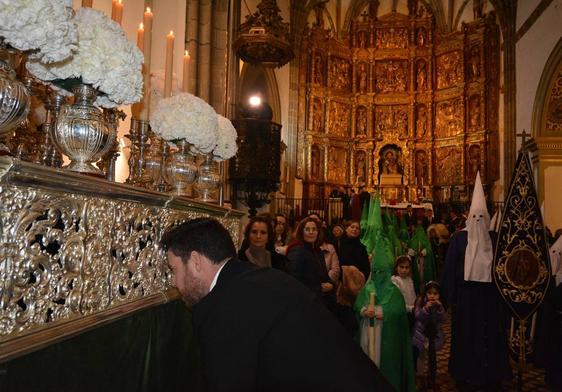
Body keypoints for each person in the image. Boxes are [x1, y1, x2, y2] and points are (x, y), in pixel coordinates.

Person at [161, 218, 394, 391]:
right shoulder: (253, 280)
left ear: (195, 262)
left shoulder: (224, 306)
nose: (174, 282)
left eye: (174, 270)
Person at [441, 173, 511, 389]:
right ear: (470, 218)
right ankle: (464, 372)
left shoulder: (494, 239)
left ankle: (492, 373)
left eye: (483, 217)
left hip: (489, 297)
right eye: (475, 217)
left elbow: (502, 267)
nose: (479, 221)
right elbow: (450, 268)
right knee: (466, 335)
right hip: (466, 297)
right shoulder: (459, 239)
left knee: (490, 335)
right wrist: (448, 297)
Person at [286, 218, 335, 307]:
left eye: (314, 229)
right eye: (307, 229)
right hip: (304, 301)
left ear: (318, 232)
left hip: (318, 299)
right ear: (301, 232)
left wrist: (331, 284)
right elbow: (294, 281)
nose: (311, 232)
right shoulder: (297, 250)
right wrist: (319, 288)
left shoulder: (317, 250)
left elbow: (324, 274)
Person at [412, 281, 447, 391]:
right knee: (421, 357)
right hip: (421, 334)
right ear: (425, 294)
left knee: (432, 357)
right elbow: (418, 316)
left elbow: (444, 319)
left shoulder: (439, 304)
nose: (432, 296)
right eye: (429, 293)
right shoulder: (420, 301)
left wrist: (440, 309)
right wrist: (426, 309)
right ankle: (420, 378)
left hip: (433, 335)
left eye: (435, 293)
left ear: (439, 295)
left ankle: (431, 379)